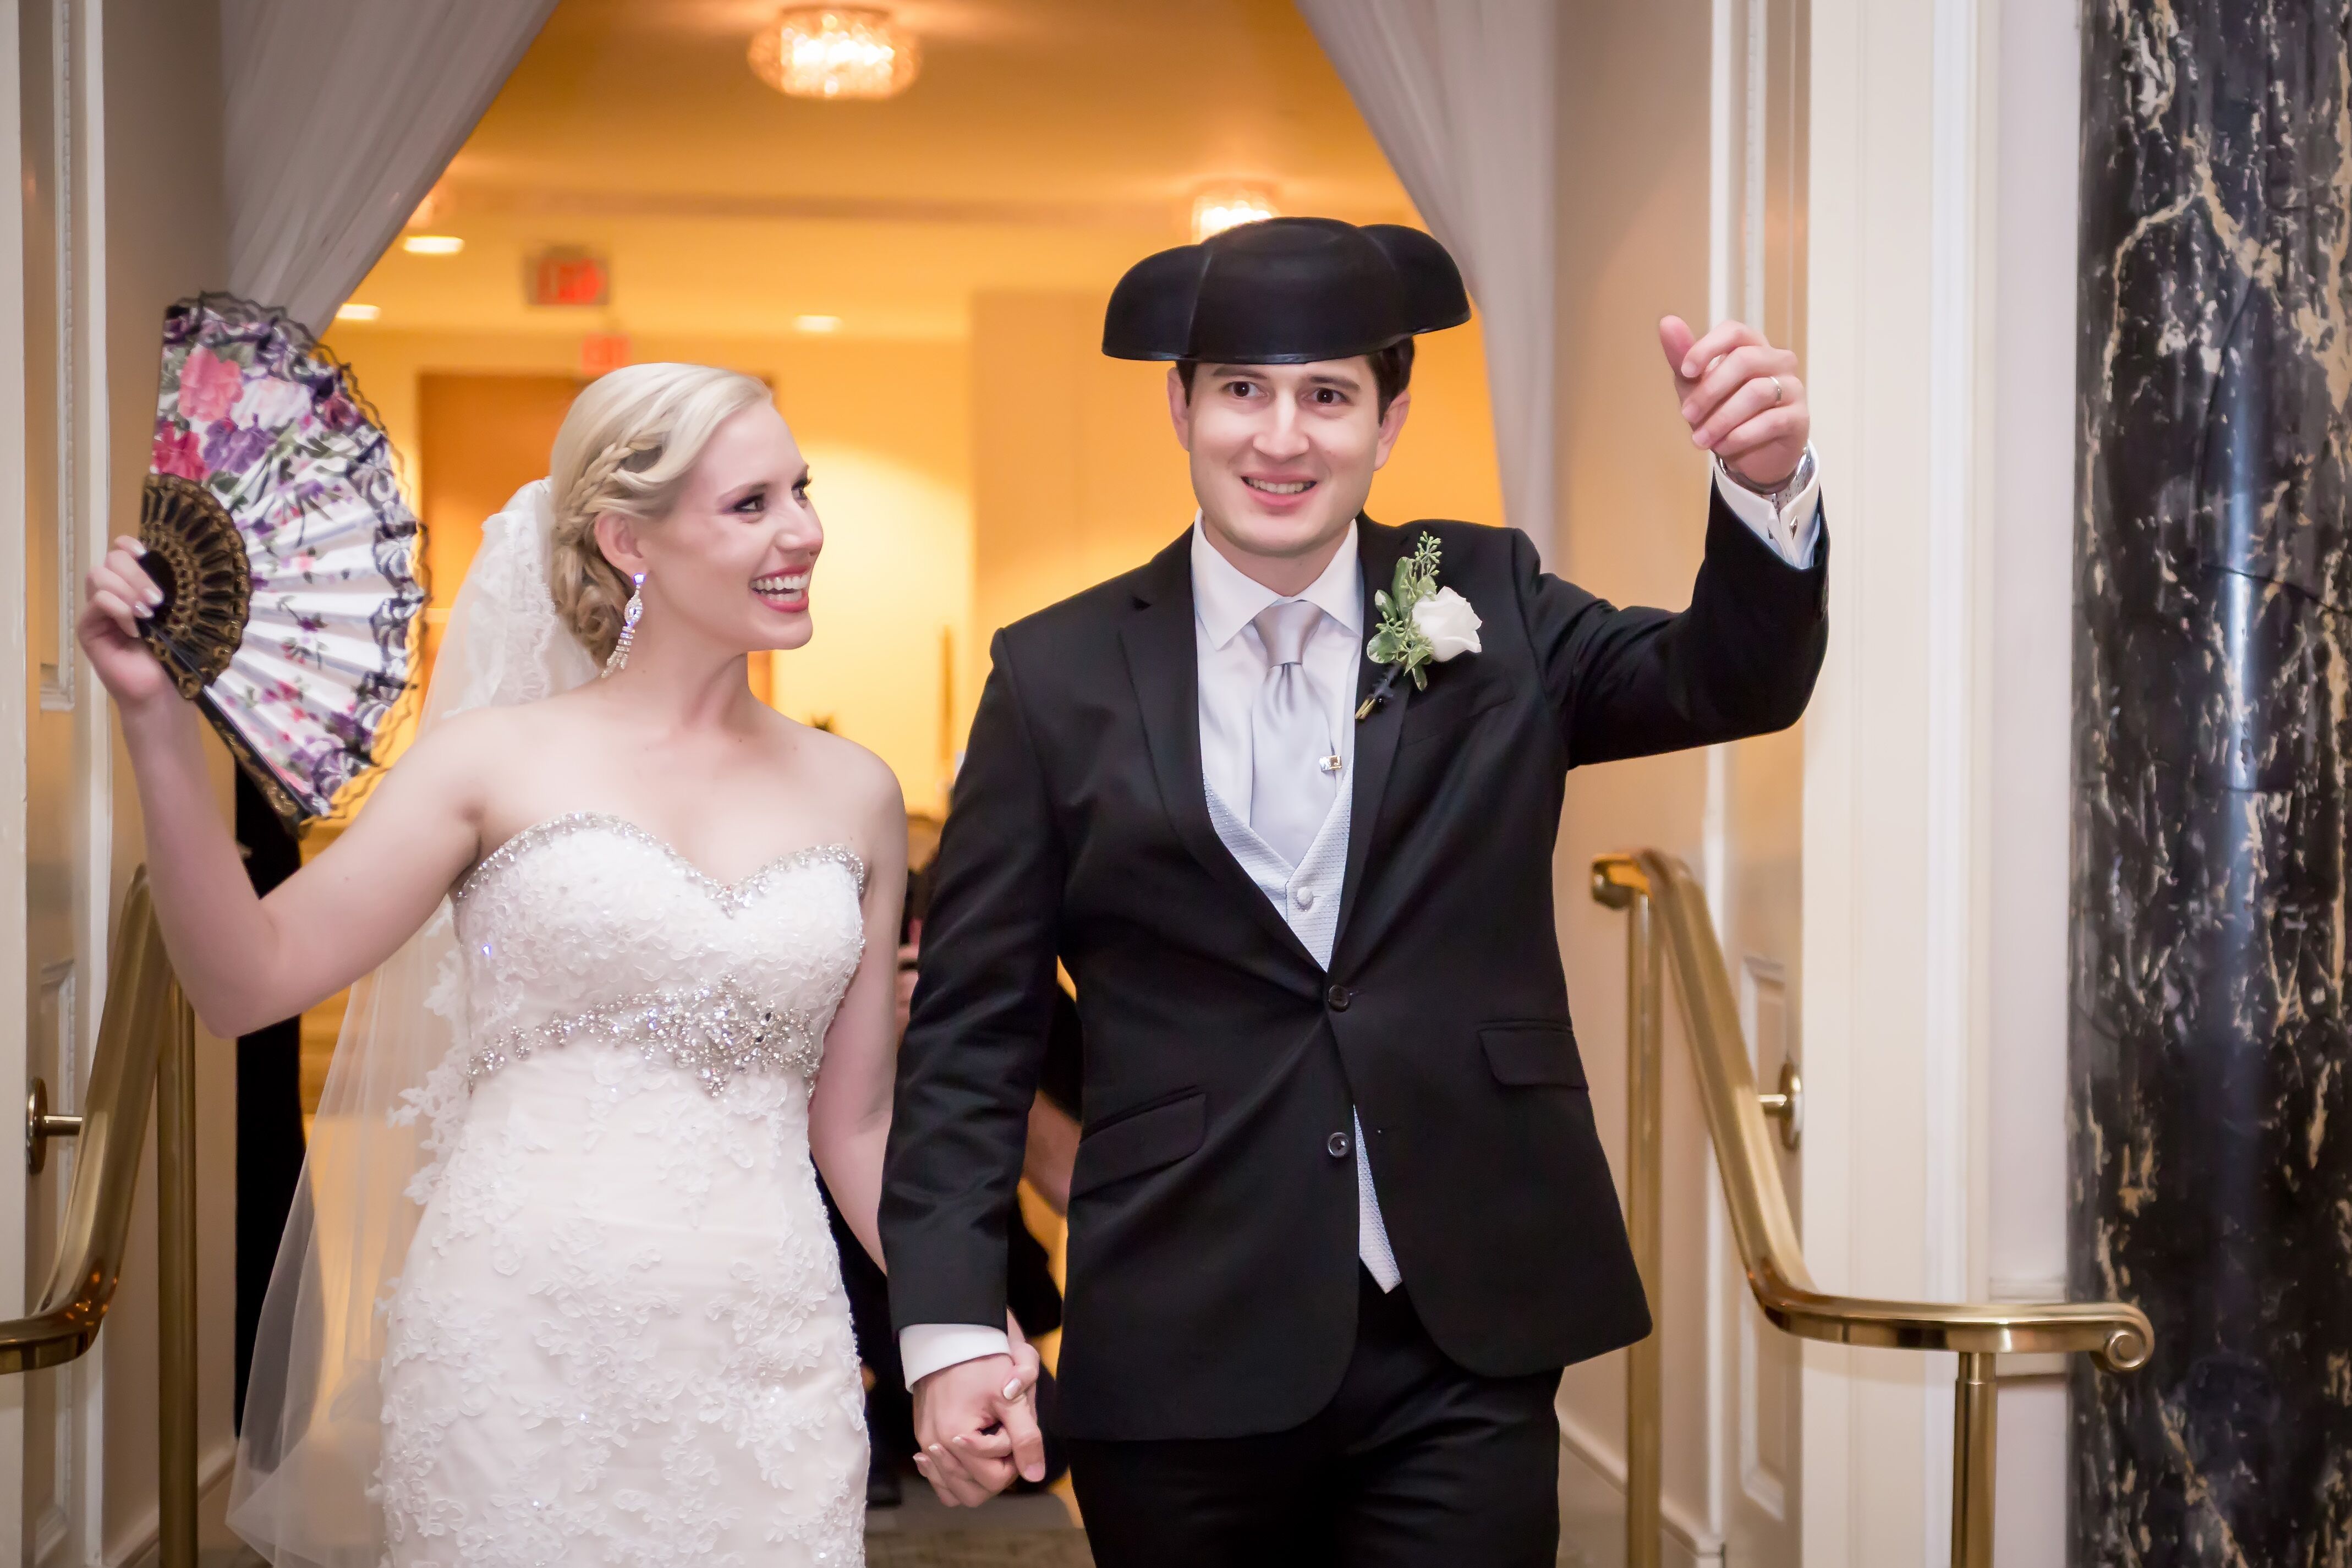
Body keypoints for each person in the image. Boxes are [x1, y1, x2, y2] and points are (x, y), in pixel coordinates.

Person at [881, 217, 1827, 1564]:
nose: (1281, 439)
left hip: (1463, 1331)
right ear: (1180, 407)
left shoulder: (1484, 594)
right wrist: (953, 1324)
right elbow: (973, 1027)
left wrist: (1764, 488)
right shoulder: (1055, 674)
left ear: (1387, 421)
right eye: (1241, 392)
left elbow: (1724, 679)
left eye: (1326, 394)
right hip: (1180, 1330)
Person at [79, 362, 1037, 1567]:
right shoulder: (491, 765)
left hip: (767, 1348)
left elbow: (856, 1127)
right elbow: (244, 982)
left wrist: (962, 1322)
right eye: (750, 505)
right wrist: (155, 726)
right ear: (626, 540)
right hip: (518, 1343)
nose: (804, 530)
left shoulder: (856, 795)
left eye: (800, 489)